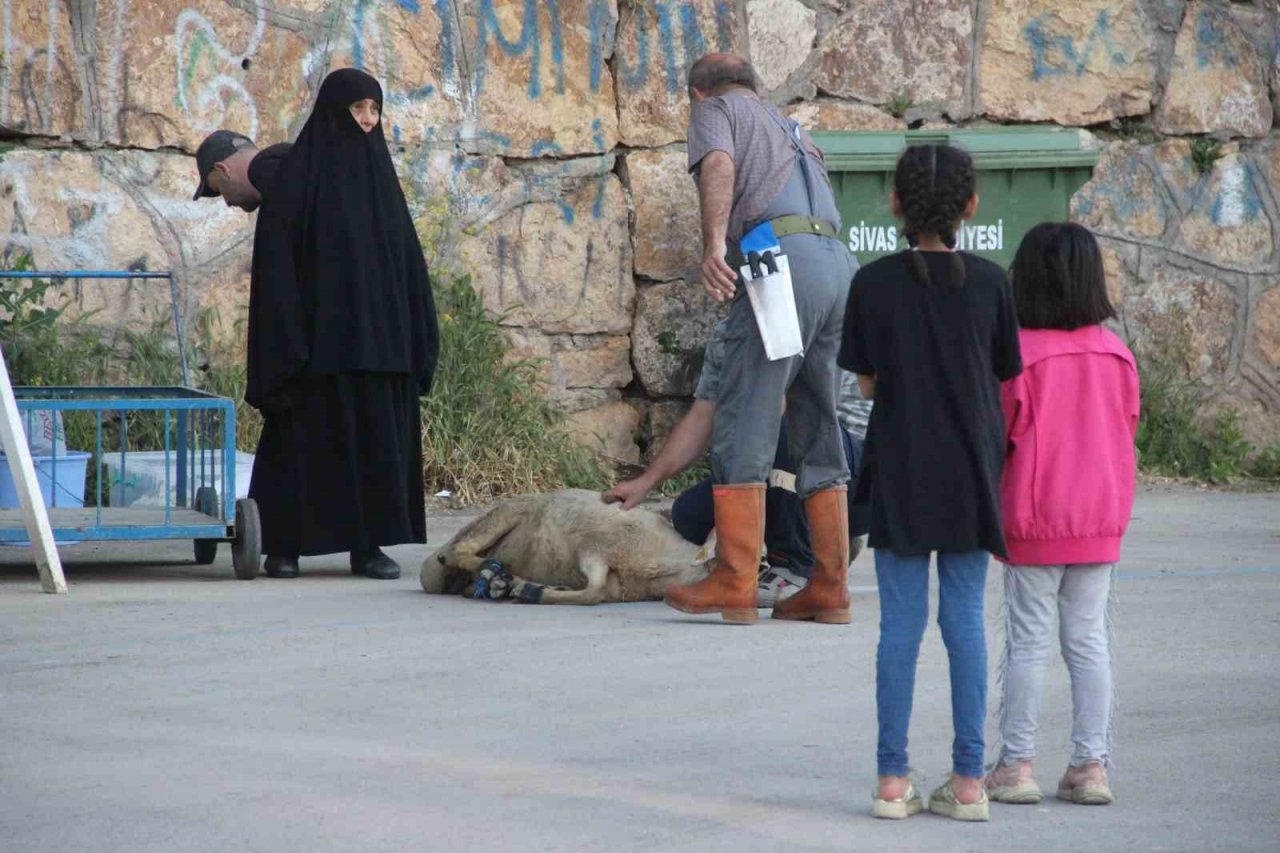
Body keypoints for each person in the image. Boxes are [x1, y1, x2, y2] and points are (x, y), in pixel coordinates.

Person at [840, 143, 1022, 821]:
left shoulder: (874, 284)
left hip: (900, 463)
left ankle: (893, 779)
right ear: (971, 207)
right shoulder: (991, 283)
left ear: (895, 203)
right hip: (972, 465)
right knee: (965, 620)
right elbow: (1004, 374)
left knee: (901, 624)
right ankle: (970, 779)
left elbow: (865, 381)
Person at [661, 53, 859, 626]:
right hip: (837, 264)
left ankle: (734, 579)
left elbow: (719, 162)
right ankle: (829, 586)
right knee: (819, 421)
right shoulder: (790, 127)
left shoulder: (716, 110)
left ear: (698, 93)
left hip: (780, 261)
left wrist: (715, 243)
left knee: (747, 412)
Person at [237, 67, 438, 579]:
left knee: (373, 441)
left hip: (378, 348)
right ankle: (285, 546)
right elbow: (279, 273)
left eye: (374, 110)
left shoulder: (383, 187)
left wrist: (417, 343)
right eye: (357, 110)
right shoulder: (296, 188)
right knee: (304, 443)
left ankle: (367, 546)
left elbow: (409, 268)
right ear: (334, 112)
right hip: (315, 350)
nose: (368, 121)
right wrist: (286, 347)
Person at [983, 223, 1138, 808]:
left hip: (1034, 521)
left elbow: (1001, 438)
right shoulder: (1116, 355)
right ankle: (1090, 765)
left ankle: (1017, 764)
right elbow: (1125, 433)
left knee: (1026, 642)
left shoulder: (1019, 358)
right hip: (1099, 521)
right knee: (1088, 641)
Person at [603, 320, 871, 607]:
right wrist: (645, 483)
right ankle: (824, 540)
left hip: (858, 469)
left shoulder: (806, 314)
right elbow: (701, 419)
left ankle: (794, 569)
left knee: (784, 428)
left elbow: (777, 413)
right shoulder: (728, 333)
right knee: (690, 514)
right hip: (788, 462)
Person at [192, 130, 292, 212]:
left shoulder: (276, 168)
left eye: (219, 188)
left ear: (223, 170)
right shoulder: (294, 160)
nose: (227, 202)